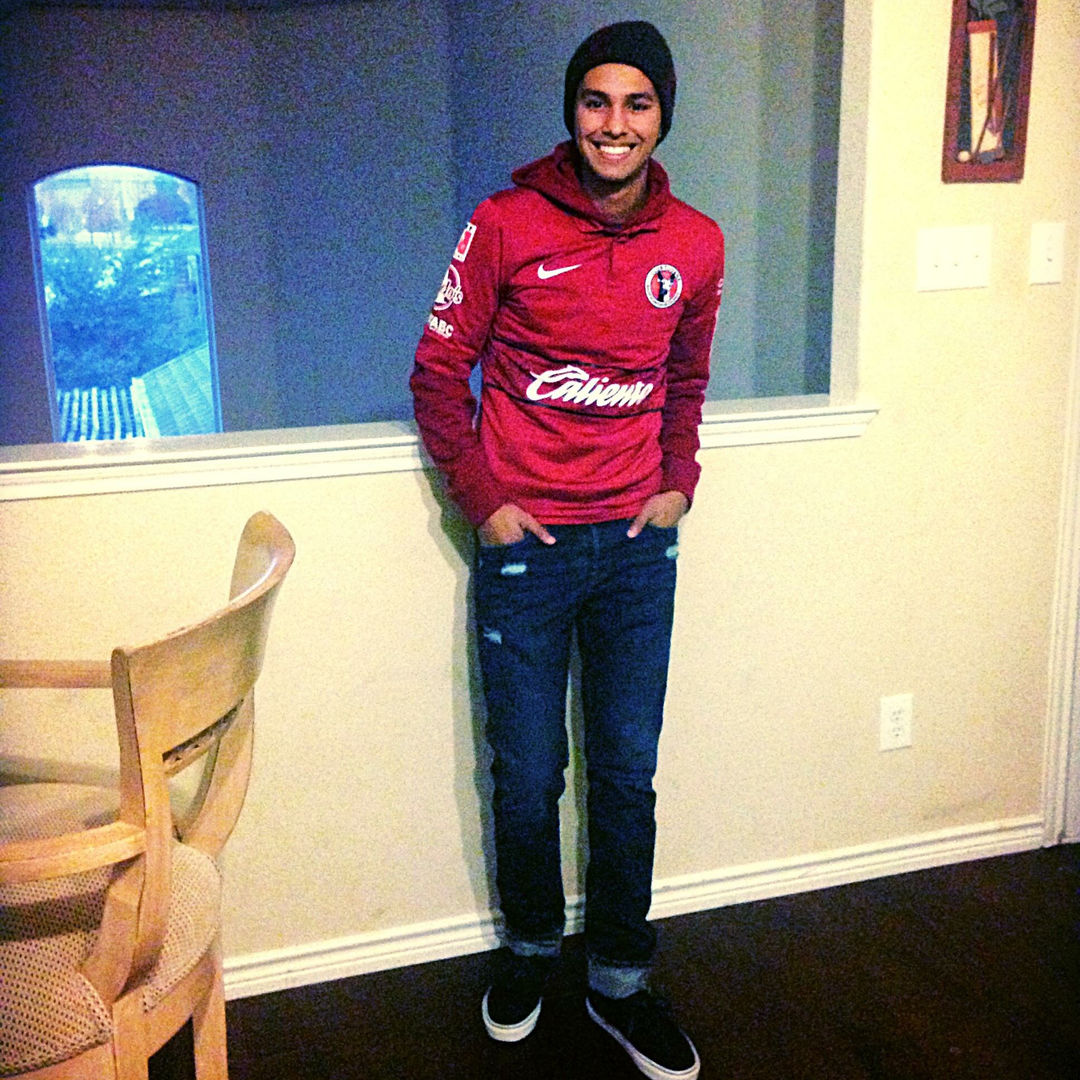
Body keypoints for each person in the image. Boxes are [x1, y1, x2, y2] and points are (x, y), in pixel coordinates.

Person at [410, 21, 724, 1080]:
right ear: (572, 112)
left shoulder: (696, 244)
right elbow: (436, 371)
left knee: (627, 774)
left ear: (662, 117)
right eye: (597, 101)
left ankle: (620, 980)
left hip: (636, 550)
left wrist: (678, 480)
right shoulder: (504, 223)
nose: (615, 124)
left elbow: (687, 380)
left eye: (638, 103)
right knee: (530, 771)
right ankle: (532, 954)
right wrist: (486, 501)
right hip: (528, 550)